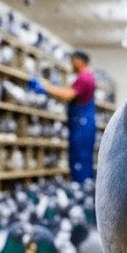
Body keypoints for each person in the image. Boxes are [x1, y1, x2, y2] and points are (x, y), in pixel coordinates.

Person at [31, 50, 97, 183]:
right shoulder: (86, 77)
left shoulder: (85, 78)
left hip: (82, 124)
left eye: (73, 61)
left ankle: (81, 188)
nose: (71, 64)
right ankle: (83, 188)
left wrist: (46, 88)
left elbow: (68, 95)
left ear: (79, 61)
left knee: (80, 159)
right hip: (82, 123)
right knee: (81, 158)